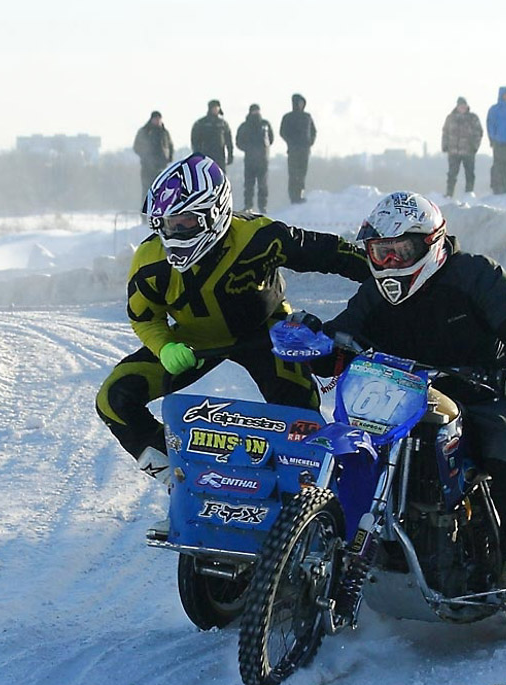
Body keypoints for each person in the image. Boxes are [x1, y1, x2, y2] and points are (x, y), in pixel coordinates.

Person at [320, 191, 506, 590]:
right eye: (381, 253)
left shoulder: (475, 273)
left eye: (402, 250)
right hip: (404, 399)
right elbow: (347, 330)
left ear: (431, 244)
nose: (391, 263)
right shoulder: (374, 293)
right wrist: (317, 345)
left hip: (487, 393)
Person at [95, 154, 369, 483]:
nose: (174, 233)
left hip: (267, 333)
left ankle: (313, 494)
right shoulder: (149, 259)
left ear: (216, 212)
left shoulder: (258, 236)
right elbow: (144, 317)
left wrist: (383, 269)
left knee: (302, 422)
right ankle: (181, 480)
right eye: (167, 223)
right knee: (113, 400)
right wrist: (165, 347)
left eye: (185, 222)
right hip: (193, 342)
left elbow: (329, 252)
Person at [441, 97, 483, 197]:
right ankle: (449, 194)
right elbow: (445, 132)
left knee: (470, 174)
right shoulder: (450, 118)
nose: (462, 108)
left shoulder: (473, 118)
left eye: (464, 105)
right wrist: (445, 145)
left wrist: (475, 146)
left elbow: (479, 132)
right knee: (451, 174)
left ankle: (469, 195)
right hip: (453, 151)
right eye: (460, 106)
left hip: (468, 151)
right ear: (457, 106)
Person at [236, 103, 274, 213]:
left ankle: (263, 207)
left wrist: (263, 149)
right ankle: (248, 206)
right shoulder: (245, 126)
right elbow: (239, 141)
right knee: (249, 185)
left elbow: (270, 139)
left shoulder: (265, 125)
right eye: (254, 111)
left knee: (263, 185)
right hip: (249, 160)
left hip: (263, 160)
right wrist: (248, 148)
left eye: (257, 111)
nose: (256, 113)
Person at [279, 93, 316, 204]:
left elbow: (313, 131)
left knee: (302, 173)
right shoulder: (288, 117)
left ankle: (300, 194)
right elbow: (282, 132)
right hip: (293, 150)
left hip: (304, 150)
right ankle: (293, 197)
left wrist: (310, 142)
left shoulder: (307, 117)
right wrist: (290, 142)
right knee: (293, 174)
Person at [133, 111, 175, 205]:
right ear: (151, 119)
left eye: (159, 119)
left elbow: (170, 146)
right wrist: (145, 156)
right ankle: (145, 214)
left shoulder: (164, 132)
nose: (157, 121)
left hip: (162, 166)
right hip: (148, 167)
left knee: (162, 191)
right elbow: (136, 147)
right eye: (156, 119)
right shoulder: (144, 131)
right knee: (147, 190)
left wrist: (169, 158)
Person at [190, 99, 233, 172]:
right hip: (205, 155)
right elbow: (195, 140)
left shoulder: (223, 124)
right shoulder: (201, 123)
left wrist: (230, 155)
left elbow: (229, 141)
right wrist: (197, 155)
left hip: (220, 156)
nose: (215, 109)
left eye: (217, 107)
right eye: (214, 107)